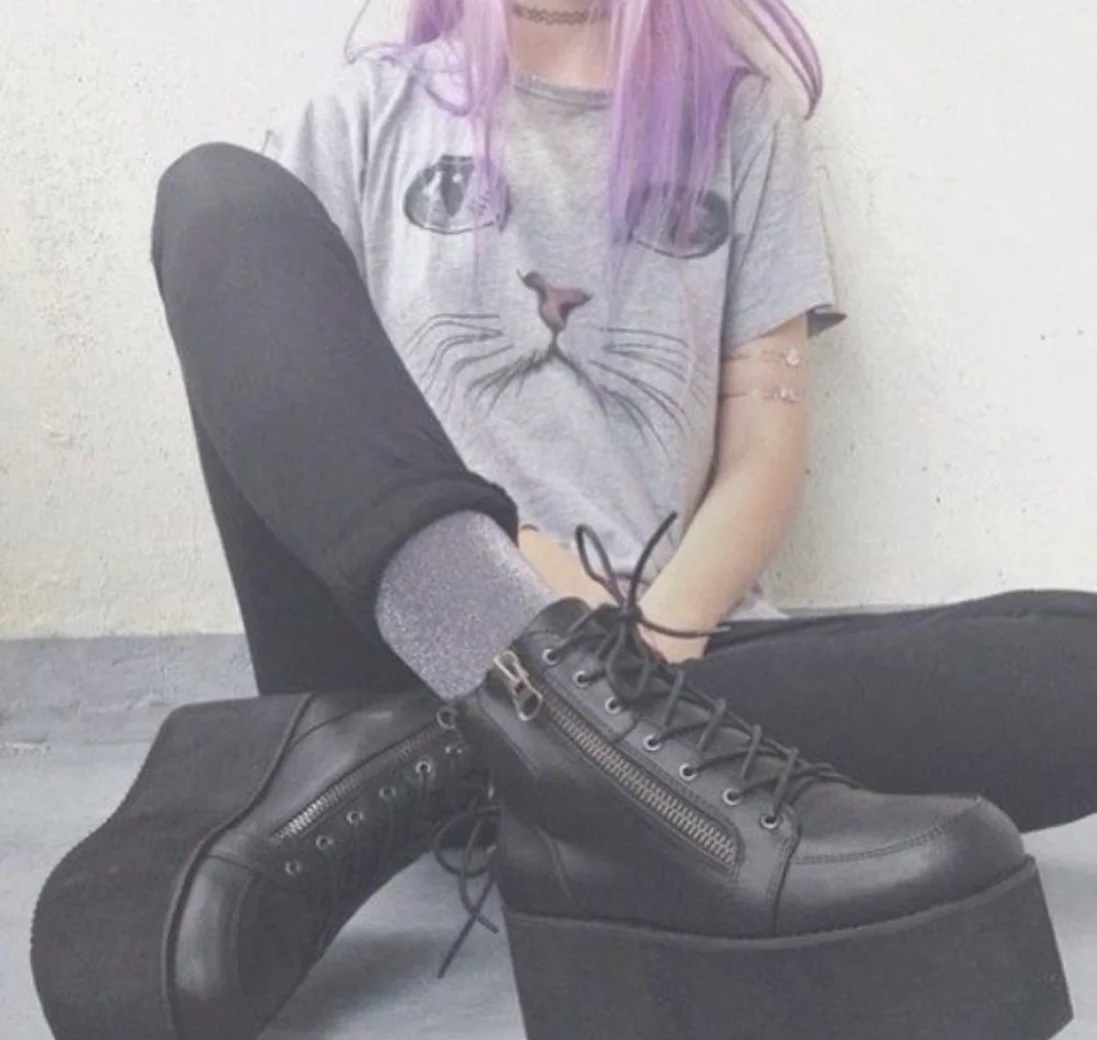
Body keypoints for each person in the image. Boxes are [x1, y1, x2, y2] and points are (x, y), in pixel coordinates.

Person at [31, 2, 1089, 1040]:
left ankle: (445, 772)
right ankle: (556, 753)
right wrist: (531, 618)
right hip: (395, 648)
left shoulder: (742, 118)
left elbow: (763, 448)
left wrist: (640, 656)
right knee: (213, 194)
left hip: (673, 690)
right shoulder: (359, 113)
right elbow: (309, 416)